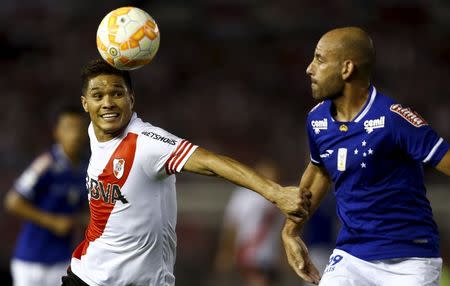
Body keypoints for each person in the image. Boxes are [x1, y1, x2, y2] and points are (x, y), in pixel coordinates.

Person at [61, 59, 310, 286]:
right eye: (98, 95)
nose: (107, 103)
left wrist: (275, 192)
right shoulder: (95, 133)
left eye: (117, 93)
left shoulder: (148, 143)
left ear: (131, 99)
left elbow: (211, 163)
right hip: (86, 277)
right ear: (85, 103)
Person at [281, 26, 450, 286]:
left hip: (410, 259)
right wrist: (290, 231)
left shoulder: (394, 118)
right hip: (352, 256)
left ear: (347, 69)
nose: (309, 68)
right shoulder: (316, 120)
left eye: (320, 59)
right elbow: (319, 172)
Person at [4, 106, 88, 286]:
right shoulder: (45, 165)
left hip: (63, 261)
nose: (74, 134)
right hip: (31, 261)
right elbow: (12, 202)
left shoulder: (86, 169)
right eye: (68, 128)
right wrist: (51, 221)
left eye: (79, 128)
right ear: (57, 132)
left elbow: (83, 211)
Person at [214, 160, 285, 286]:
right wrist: (226, 250)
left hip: (270, 256)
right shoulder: (244, 195)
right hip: (248, 253)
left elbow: (283, 230)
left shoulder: (281, 198)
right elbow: (232, 224)